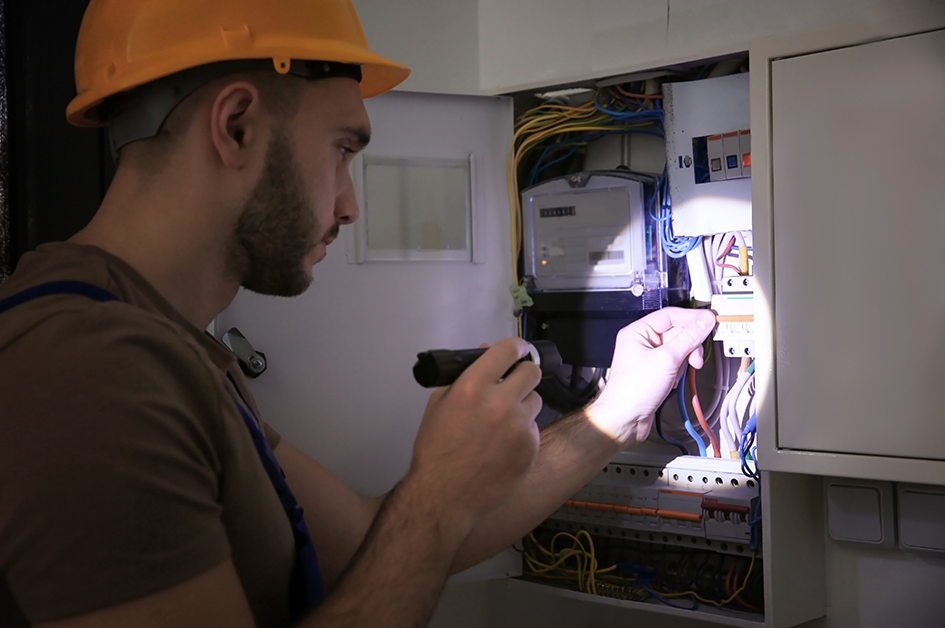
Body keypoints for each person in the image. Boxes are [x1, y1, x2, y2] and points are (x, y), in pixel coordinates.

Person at [0, 0, 717, 626]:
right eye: (341, 150)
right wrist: (437, 492)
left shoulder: (162, 349)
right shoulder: (90, 375)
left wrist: (611, 417)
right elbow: (421, 525)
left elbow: (377, 544)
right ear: (237, 126)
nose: (348, 205)